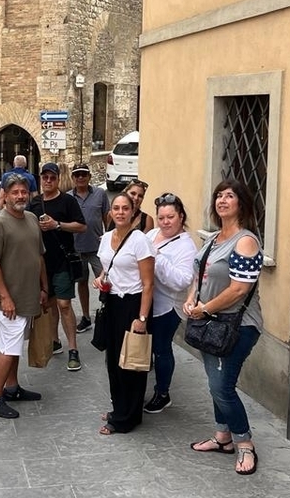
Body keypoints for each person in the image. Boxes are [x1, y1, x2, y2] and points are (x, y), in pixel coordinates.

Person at [184, 179, 264, 475]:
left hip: (238, 326)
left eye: (229, 196)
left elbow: (239, 290)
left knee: (222, 387)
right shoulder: (214, 238)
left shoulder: (245, 241)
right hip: (210, 323)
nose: (222, 200)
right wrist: (192, 299)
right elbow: (199, 275)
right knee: (216, 384)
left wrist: (203, 308)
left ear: (241, 203)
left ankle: (245, 444)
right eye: (219, 195)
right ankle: (223, 437)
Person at [0, 174, 48, 419]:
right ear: (5, 195)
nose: (20, 196)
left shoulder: (31, 218)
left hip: (29, 294)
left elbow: (39, 256)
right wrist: (4, 297)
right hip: (9, 299)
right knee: (9, 348)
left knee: (15, 345)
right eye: (15, 192)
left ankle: (11, 388)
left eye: (24, 191)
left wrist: (44, 287)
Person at [92, 191, 155, 435]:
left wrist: (141, 318)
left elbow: (148, 284)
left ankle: (126, 418)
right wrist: (99, 280)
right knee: (113, 359)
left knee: (131, 362)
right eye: (116, 208)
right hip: (112, 303)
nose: (120, 212)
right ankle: (120, 408)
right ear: (110, 213)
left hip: (133, 304)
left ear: (133, 212)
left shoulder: (140, 240)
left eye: (125, 208)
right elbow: (106, 270)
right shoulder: (106, 238)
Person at [27, 163, 86, 371]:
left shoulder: (67, 201)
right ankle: (55, 341)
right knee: (49, 304)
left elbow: (82, 226)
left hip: (62, 260)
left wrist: (57, 225)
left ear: (58, 179)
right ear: (41, 179)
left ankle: (73, 349)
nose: (48, 181)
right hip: (42, 263)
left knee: (64, 305)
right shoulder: (34, 203)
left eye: (52, 178)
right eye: (45, 177)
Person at [144, 192, 198, 414]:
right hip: (146, 302)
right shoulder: (154, 233)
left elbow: (181, 281)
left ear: (181, 217)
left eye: (170, 217)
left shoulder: (187, 247)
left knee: (161, 349)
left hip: (167, 307)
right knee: (145, 347)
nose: (165, 222)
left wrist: (156, 258)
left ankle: (163, 393)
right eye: (161, 217)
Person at [68, 162, 109, 333]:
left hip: (98, 248)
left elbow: (107, 217)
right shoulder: (68, 197)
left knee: (107, 281)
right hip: (77, 248)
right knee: (82, 283)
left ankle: (107, 314)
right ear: (73, 178)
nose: (80, 178)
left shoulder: (100, 194)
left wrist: (109, 238)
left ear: (89, 177)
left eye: (83, 174)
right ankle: (86, 317)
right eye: (77, 175)